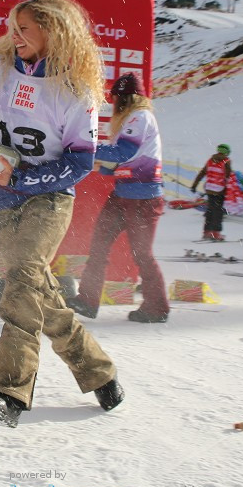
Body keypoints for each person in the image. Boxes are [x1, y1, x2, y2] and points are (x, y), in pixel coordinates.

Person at [0, 0, 121, 428]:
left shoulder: (76, 91)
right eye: (13, 27)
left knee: (22, 280)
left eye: (25, 29)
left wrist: (20, 179)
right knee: (37, 287)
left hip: (49, 196)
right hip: (0, 196)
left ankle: (7, 391)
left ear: (55, 32)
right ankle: (97, 370)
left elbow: (79, 163)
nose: (14, 37)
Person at [67, 72, 169, 323]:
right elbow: (121, 162)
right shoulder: (129, 120)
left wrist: (84, 148)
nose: (116, 104)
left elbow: (123, 152)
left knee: (142, 254)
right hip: (124, 194)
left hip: (143, 199)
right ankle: (87, 300)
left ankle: (157, 308)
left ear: (130, 98)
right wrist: (91, 163)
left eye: (119, 99)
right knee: (99, 245)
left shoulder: (140, 117)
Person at [191, 144, 233, 241]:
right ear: (226, 153)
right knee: (218, 212)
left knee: (210, 211)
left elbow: (202, 173)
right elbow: (228, 176)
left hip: (209, 190)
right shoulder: (226, 161)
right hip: (220, 191)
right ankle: (216, 233)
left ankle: (206, 232)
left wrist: (194, 185)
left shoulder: (211, 160)